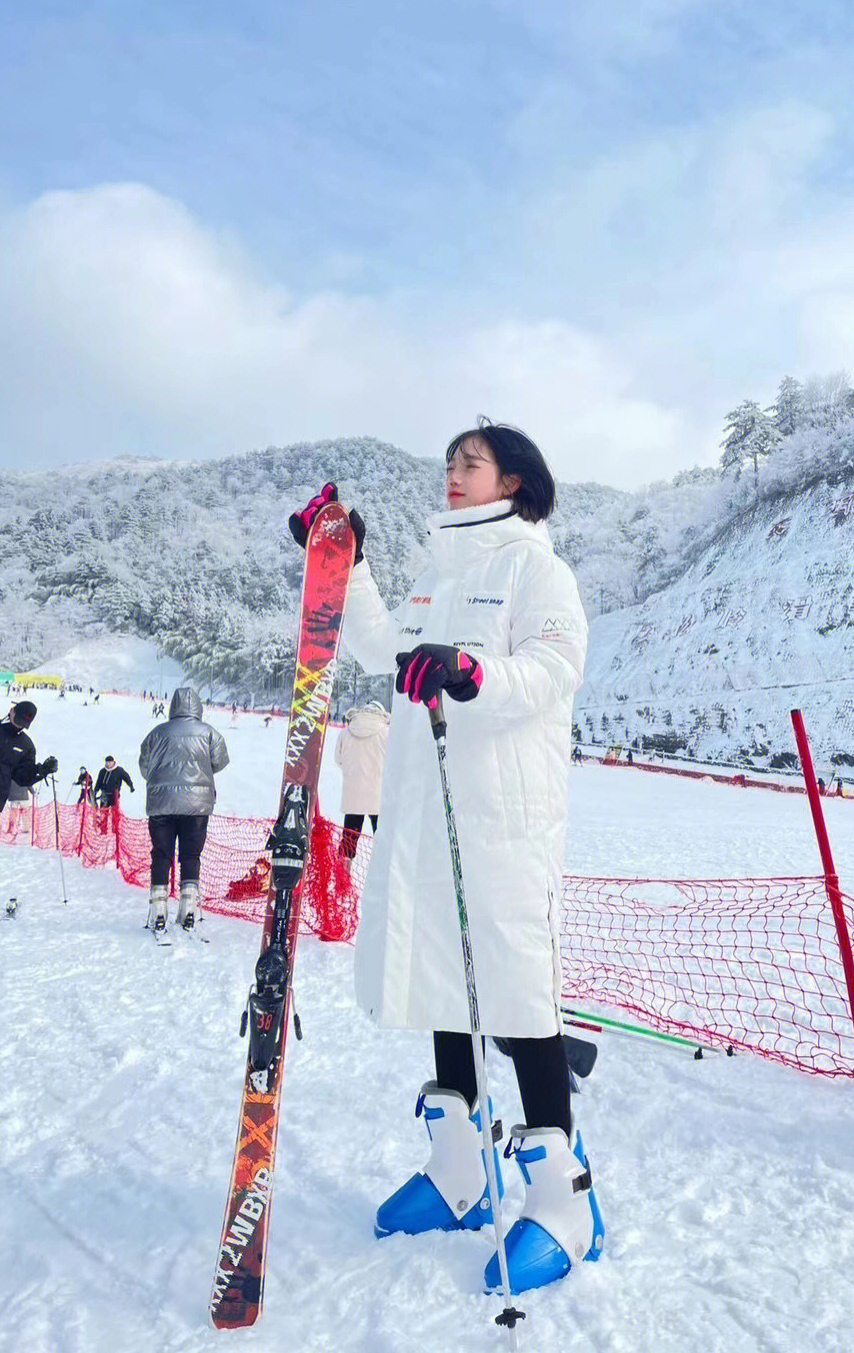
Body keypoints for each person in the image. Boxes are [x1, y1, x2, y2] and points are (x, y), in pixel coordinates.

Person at [290, 421, 602, 1293]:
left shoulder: (536, 568)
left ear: (516, 480)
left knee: (516, 994)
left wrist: (472, 672)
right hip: (426, 813)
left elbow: (553, 668)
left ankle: (564, 1205)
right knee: (441, 980)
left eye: (471, 463)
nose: (454, 476)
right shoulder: (438, 569)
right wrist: (346, 572)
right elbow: (390, 652)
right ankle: (462, 1175)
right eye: (451, 464)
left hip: (503, 820)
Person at [138, 687, 229, 931]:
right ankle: (188, 907)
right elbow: (219, 762)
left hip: (160, 805)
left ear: (172, 707)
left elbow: (144, 766)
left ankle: (158, 909)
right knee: (190, 856)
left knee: (161, 854)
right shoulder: (209, 733)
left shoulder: (157, 733)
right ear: (198, 707)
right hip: (197, 806)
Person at [0, 701, 56, 908]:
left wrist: (42, 771)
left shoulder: (26, 746)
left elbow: (23, 777)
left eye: (24, 723)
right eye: (18, 719)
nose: (19, 725)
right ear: (11, 711)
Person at [333, 701, 390, 858]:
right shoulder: (387, 732)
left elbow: (338, 760)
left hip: (353, 796)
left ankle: (344, 878)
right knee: (382, 842)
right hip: (378, 797)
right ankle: (381, 876)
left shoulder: (346, 732)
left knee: (348, 843)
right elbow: (393, 762)